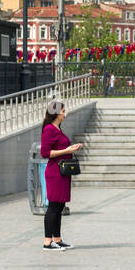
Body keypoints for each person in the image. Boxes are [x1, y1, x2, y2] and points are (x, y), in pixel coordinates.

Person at [40, 99, 82, 250]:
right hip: (54, 172)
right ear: (56, 113)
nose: (65, 114)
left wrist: (71, 149)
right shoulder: (49, 130)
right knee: (53, 206)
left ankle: (57, 239)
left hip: (62, 172)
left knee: (60, 205)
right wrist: (67, 150)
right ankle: (47, 241)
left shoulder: (58, 129)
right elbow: (45, 153)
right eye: (63, 111)